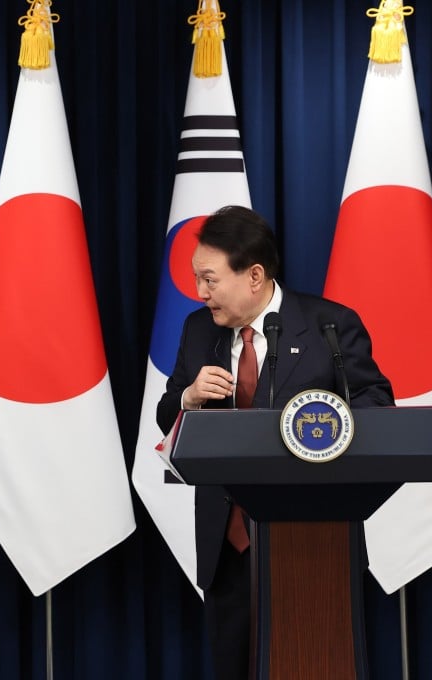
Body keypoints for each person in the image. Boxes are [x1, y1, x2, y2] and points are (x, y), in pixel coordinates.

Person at [156, 205, 393, 679]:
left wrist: (323, 430)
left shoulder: (330, 326)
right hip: (229, 543)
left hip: (314, 540)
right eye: (197, 280)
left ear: (255, 275)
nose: (201, 293)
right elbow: (167, 417)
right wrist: (189, 395)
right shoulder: (198, 330)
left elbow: (375, 405)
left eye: (209, 279)